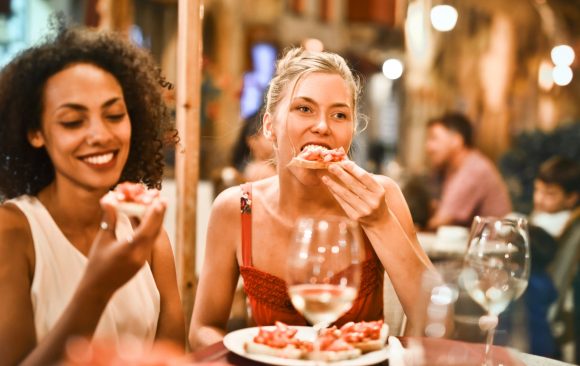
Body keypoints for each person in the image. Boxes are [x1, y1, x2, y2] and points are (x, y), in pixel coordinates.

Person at [189, 47, 434, 349]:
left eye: (339, 115)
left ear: (351, 130)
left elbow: (437, 323)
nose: (322, 126)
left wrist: (379, 221)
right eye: (304, 109)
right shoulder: (238, 208)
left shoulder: (382, 196)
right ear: (269, 127)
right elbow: (202, 329)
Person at [0, 24, 185, 365]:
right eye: (72, 122)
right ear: (36, 132)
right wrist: (97, 288)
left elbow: (172, 357)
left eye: (114, 115)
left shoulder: (147, 234)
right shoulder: (13, 232)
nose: (100, 134)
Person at [425, 112, 512, 230]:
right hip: (476, 242)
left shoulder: (474, 170)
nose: (428, 147)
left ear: (456, 140)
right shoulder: (450, 169)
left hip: (493, 244)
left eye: (434, 138)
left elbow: (441, 221)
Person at [530, 156, 580, 238]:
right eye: (537, 189)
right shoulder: (541, 213)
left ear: (571, 198)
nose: (539, 199)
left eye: (549, 194)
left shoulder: (565, 225)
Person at [230, 108, 276, 182]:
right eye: (270, 130)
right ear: (253, 141)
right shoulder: (260, 172)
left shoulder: (270, 169)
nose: (276, 137)